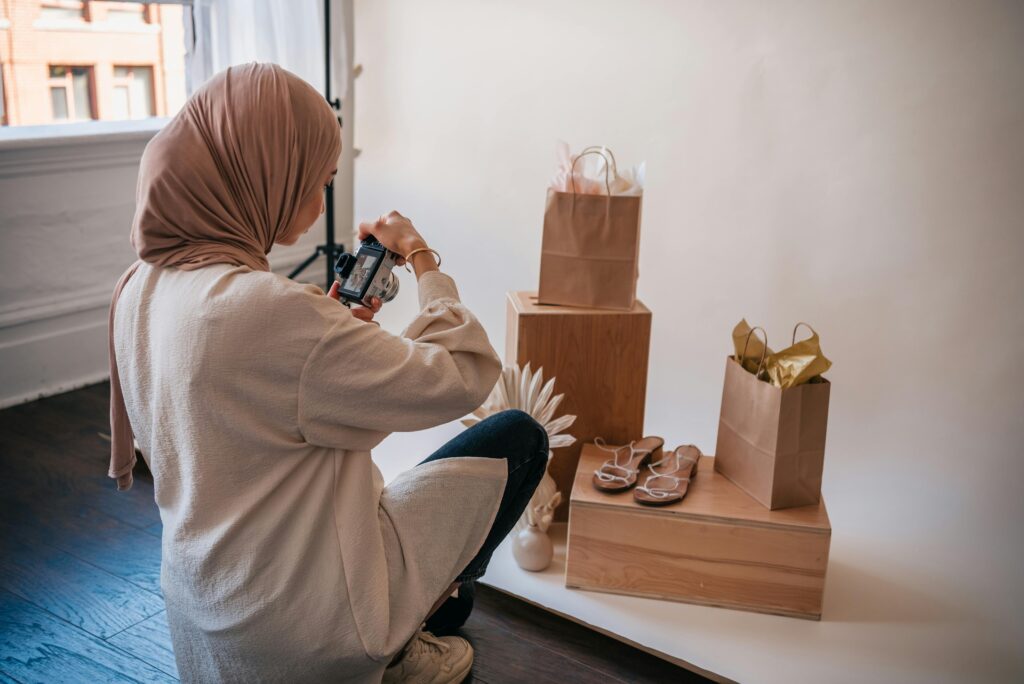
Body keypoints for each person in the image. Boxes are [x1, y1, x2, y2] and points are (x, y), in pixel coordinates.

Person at [107, 63, 546, 684]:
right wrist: (421, 253)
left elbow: (267, 406)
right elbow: (463, 372)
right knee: (520, 437)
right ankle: (394, 656)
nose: (318, 206)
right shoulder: (267, 309)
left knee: (460, 605)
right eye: (319, 182)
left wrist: (342, 325)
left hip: (205, 614)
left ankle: (415, 617)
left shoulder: (141, 285)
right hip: (306, 624)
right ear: (261, 175)